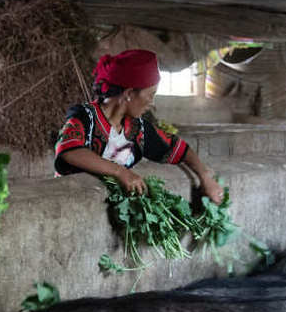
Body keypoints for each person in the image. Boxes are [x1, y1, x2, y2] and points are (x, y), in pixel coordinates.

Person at [54, 49, 223, 204]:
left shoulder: (138, 129)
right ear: (128, 94)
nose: (152, 103)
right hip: (67, 206)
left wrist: (205, 177)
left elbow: (179, 149)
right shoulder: (85, 116)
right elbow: (70, 151)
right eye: (150, 95)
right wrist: (120, 172)